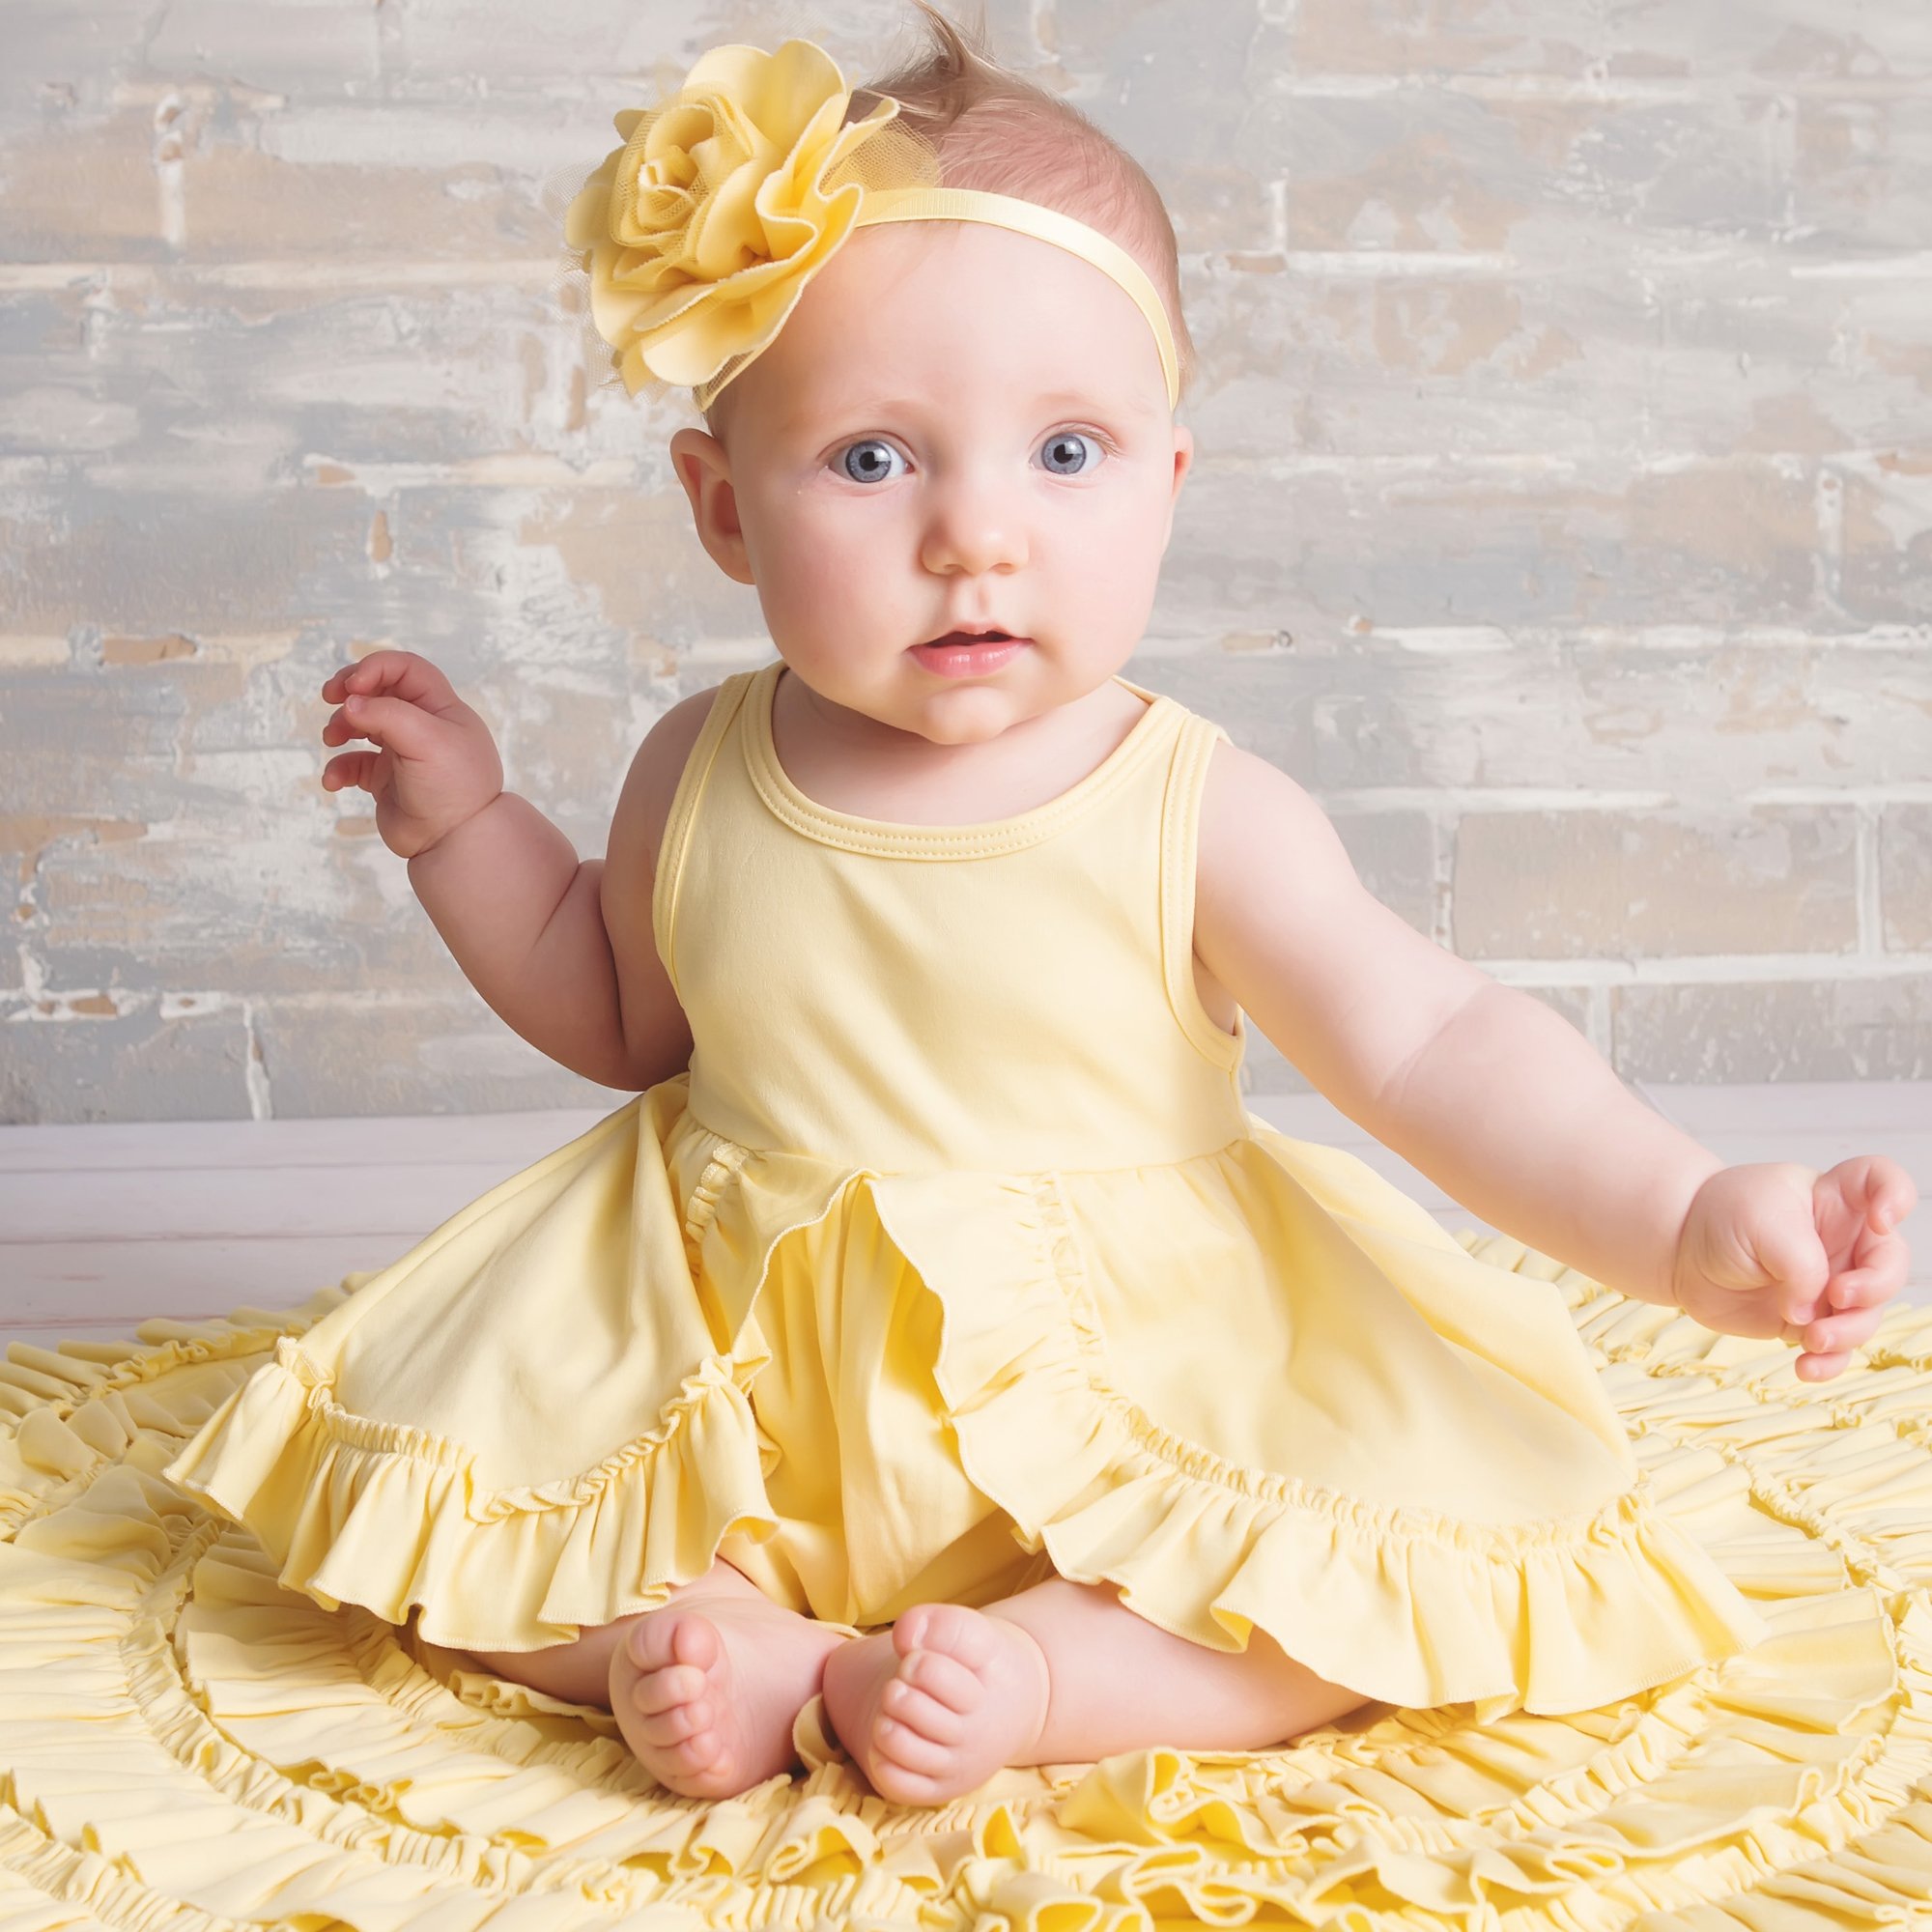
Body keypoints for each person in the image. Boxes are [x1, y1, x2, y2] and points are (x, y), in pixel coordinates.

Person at [163, 4, 1917, 1814]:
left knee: (1365, 1597)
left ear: (1166, 483)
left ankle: (1049, 1676)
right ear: (722, 510)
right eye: (870, 459)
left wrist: (1689, 1210)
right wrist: (468, 830)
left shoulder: (1194, 806)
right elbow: (615, 1006)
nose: (974, 535)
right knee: (440, 1532)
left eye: (1063, 453)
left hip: (1126, 1377)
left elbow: (1438, 1041)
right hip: (748, 1351)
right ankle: (693, 1641)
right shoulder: (700, 763)